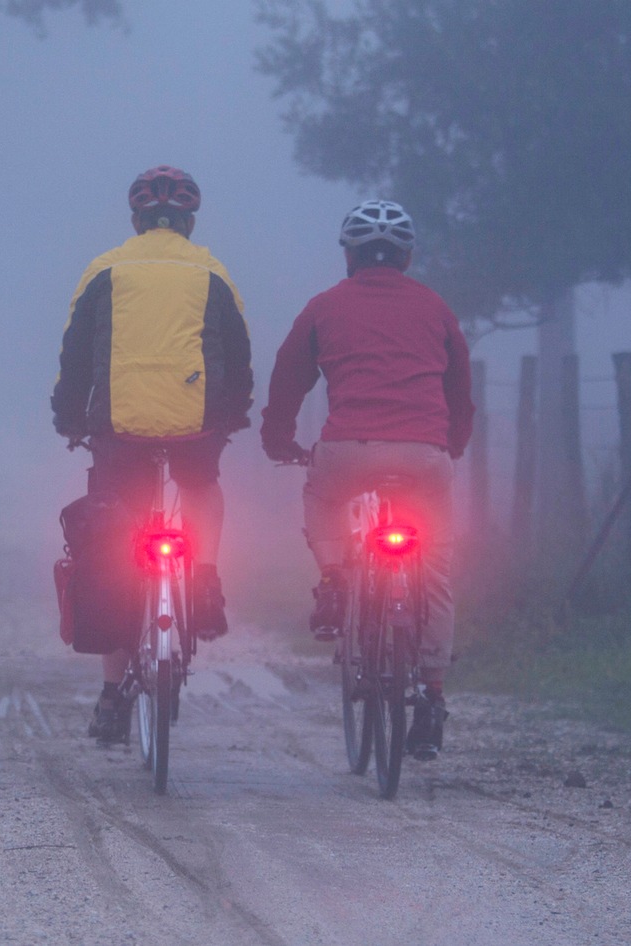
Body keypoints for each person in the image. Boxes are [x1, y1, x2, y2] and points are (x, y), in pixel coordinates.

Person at [260, 199, 474, 759]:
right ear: (405, 256)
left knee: (321, 494)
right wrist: (450, 447)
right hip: (425, 455)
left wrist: (278, 439)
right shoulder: (435, 308)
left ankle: (334, 580)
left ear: (351, 255)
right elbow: (461, 390)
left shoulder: (324, 307)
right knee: (436, 570)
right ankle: (430, 696)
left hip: (348, 450)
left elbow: (288, 380)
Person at [52, 166, 254, 743]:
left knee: (114, 554)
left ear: (136, 220)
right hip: (195, 428)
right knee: (200, 487)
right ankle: (206, 579)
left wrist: (69, 418)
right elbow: (237, 356)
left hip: (119, 430)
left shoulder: (104, 269)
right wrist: (231, 415)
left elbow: (75, 356)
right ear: (189, 222)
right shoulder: (211, 270)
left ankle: (114, 696)